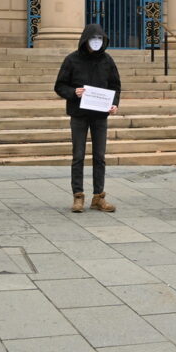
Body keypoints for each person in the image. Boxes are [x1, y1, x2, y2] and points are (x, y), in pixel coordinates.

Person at [54, 24, 121, 213]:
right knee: (78, 156)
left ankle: (99, 197)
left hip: (100, 116)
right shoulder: (72, 60)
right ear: (85, 40)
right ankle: (78, 196)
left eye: (100, 39)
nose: (97, 43)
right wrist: (73, 92)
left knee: (99, 157)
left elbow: (115, 85)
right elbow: (59, 86)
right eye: (94, 39)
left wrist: (114, 103)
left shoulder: (108, 61)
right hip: (79, 115)